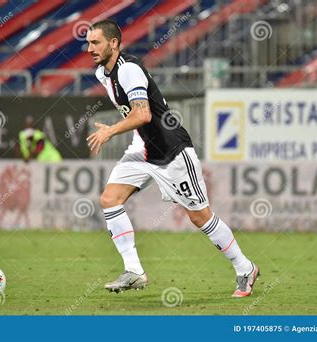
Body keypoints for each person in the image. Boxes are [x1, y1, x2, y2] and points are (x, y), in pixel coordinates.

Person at [86, 20, 259, 297]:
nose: (89, 48)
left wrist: (111, 131)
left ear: (114, 43)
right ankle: (134, 271)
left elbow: (143, 114)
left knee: (200, 217)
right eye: (88, 42)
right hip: (142, 148)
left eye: (96, 42)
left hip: (172, 152)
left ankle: (244, 267)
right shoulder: (102, 74)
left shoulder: (128, 69)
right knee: (109, 200)